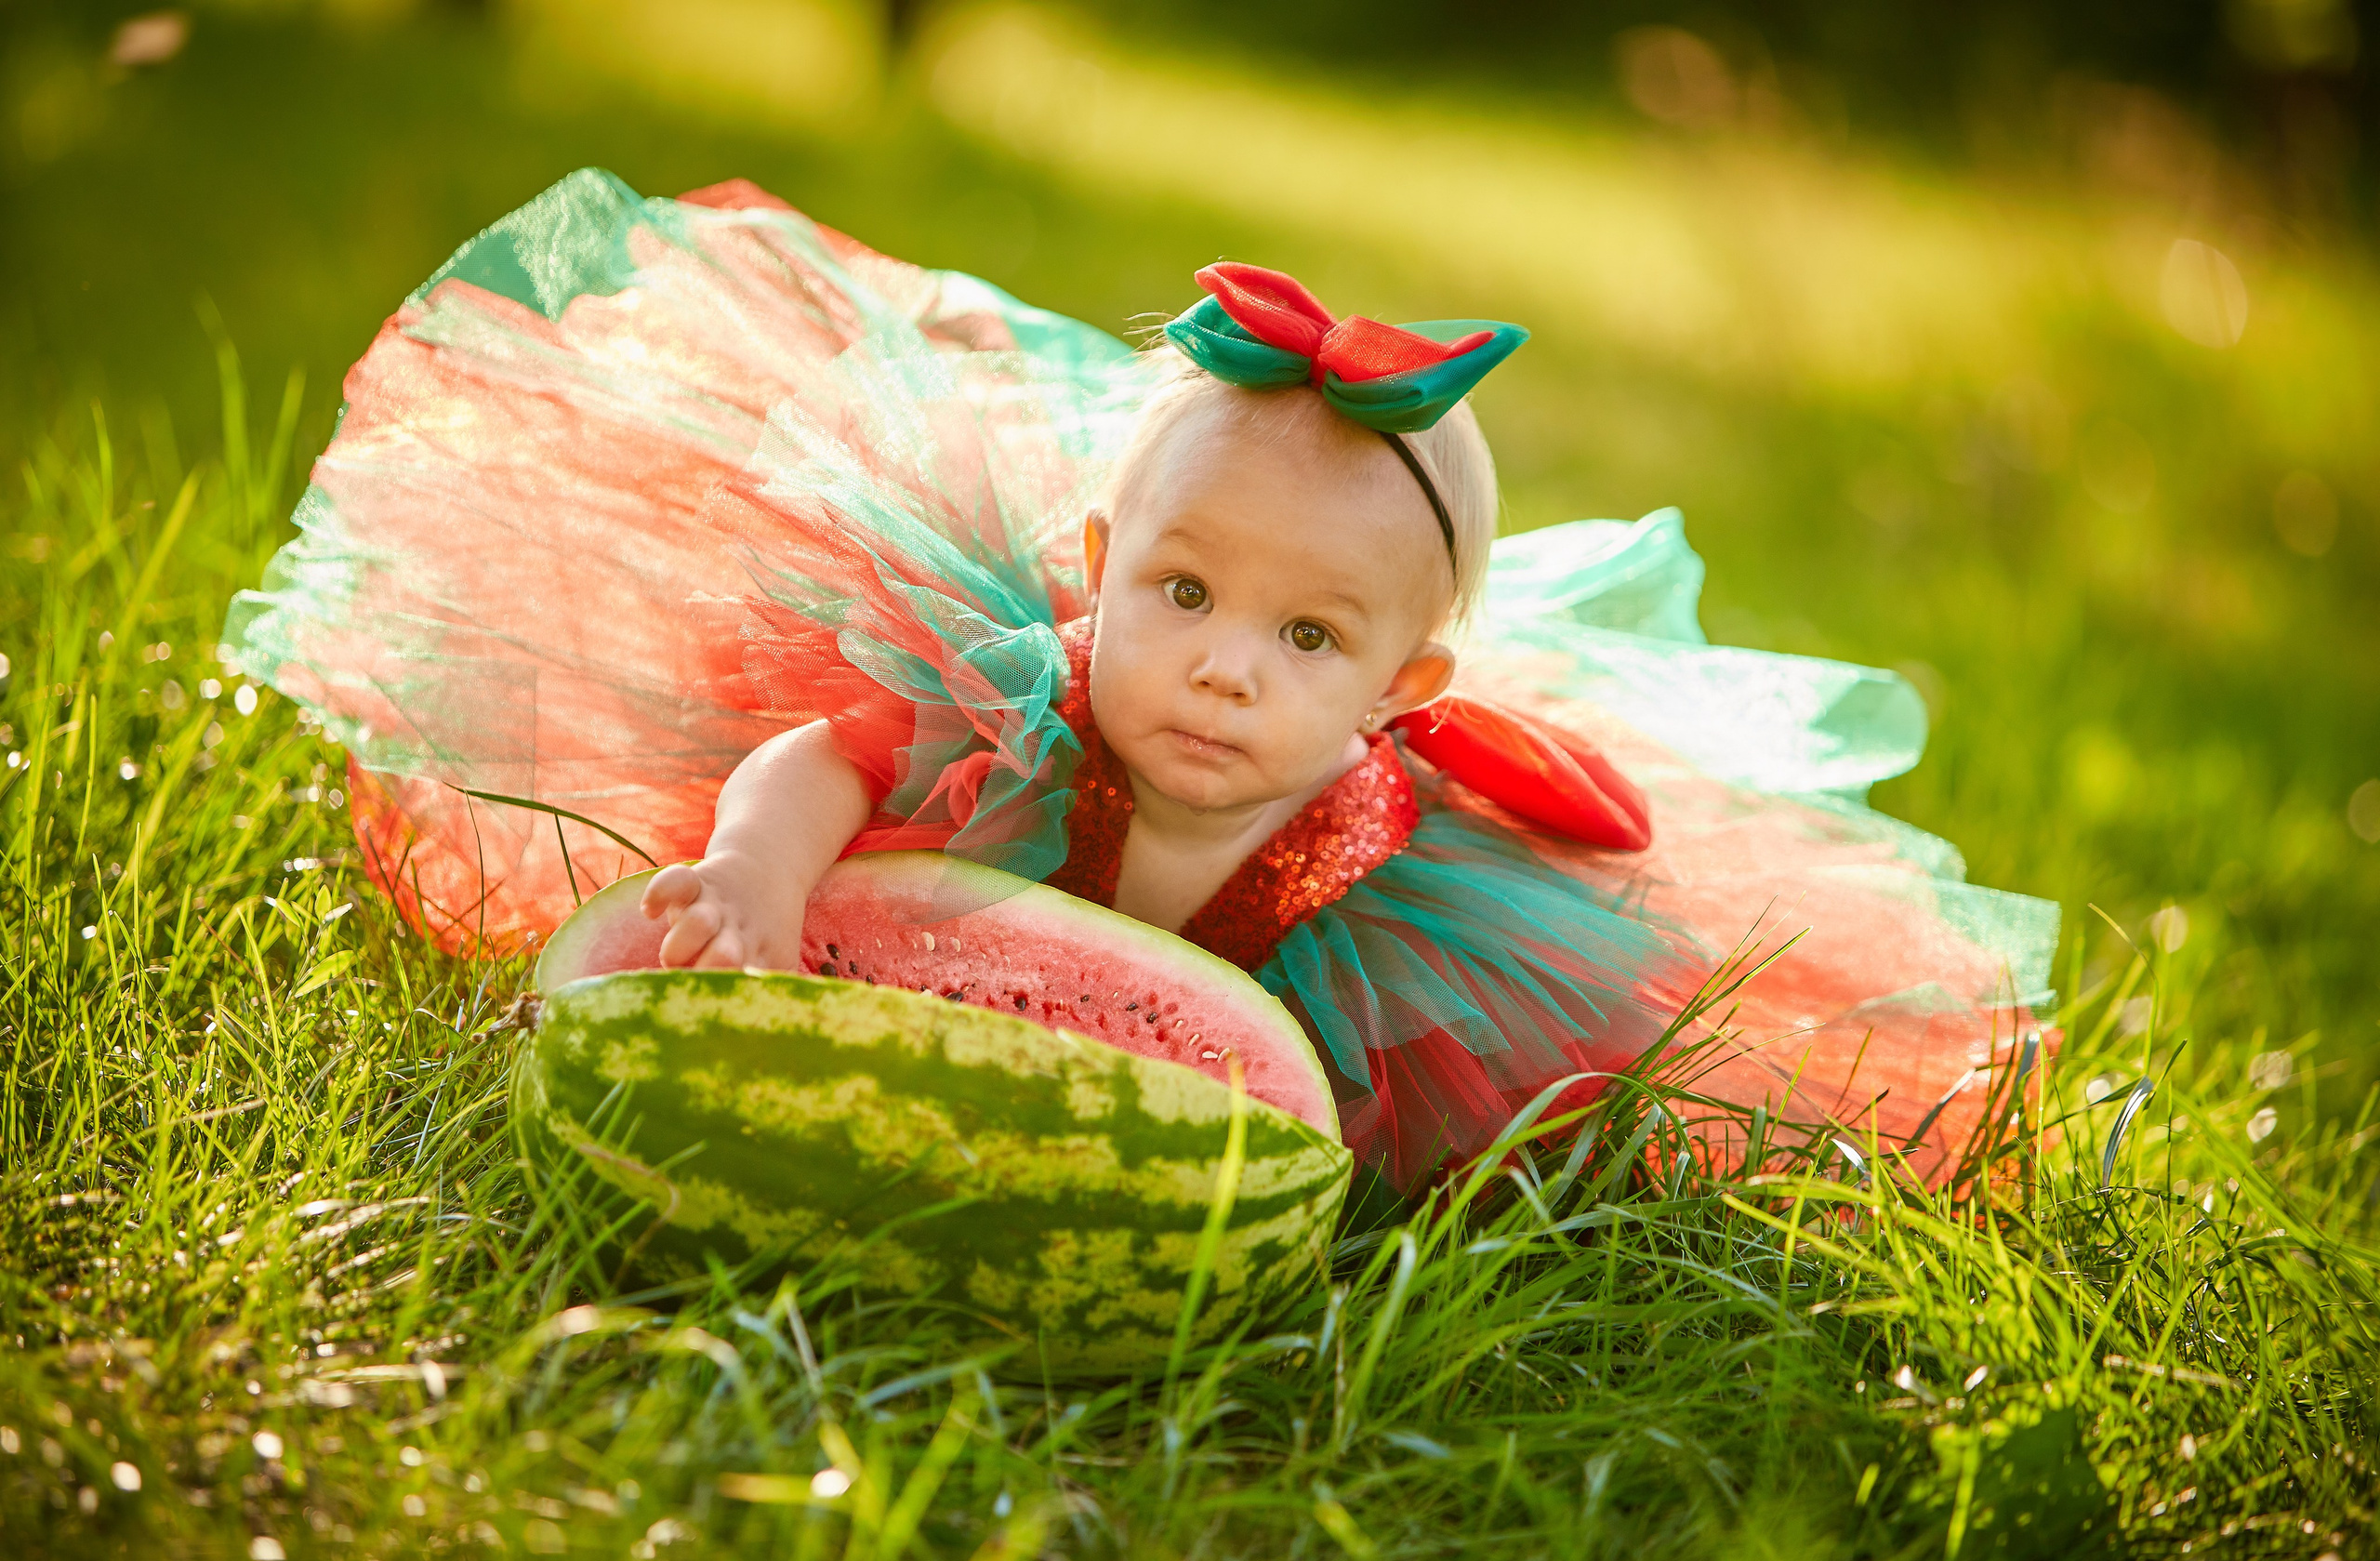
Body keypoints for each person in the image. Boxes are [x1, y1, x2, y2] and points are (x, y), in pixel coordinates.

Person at [226, 170, 2056, 1197]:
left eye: (1308, 640)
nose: (1222, 669)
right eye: (1181, 592)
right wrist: (760, 874)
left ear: (1400, 684)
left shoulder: (1401, 872)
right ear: (1097, 568)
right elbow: (819, 753)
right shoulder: (1002, 700)